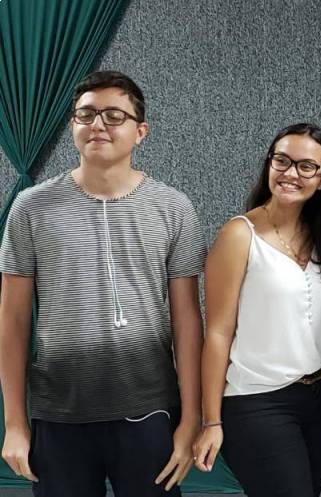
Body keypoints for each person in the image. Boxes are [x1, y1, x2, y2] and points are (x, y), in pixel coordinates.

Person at [0, 71, 205, 496]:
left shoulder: (174, 208)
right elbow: (13, 320)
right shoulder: (30, 207)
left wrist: (191, 420)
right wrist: (15, 423)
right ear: (72, 125)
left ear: (140, 131)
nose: (98, 124)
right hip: (58, 412)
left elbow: (187, 320)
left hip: (149, 408)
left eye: (114, 115)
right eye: (86, 114)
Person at [190, 123, 321, 496]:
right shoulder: (239, 235)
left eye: (305, 166)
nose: (290, 173)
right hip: (257, 402)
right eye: (282, 161)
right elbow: (217, 333)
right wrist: (210, 421)